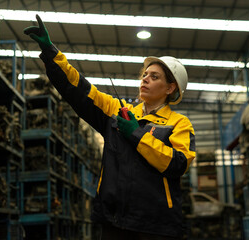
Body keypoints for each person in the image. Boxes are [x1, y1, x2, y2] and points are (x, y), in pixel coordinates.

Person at [24, 15, 196, 240]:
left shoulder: (179, 124)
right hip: (114, 221)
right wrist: (51, 53)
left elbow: (177, 164)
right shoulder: (117, 111)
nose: (144, 79)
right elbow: (80, 89)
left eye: (154, 77)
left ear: (170, 88)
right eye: (144, 75)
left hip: (156, 225)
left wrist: (136, 133)